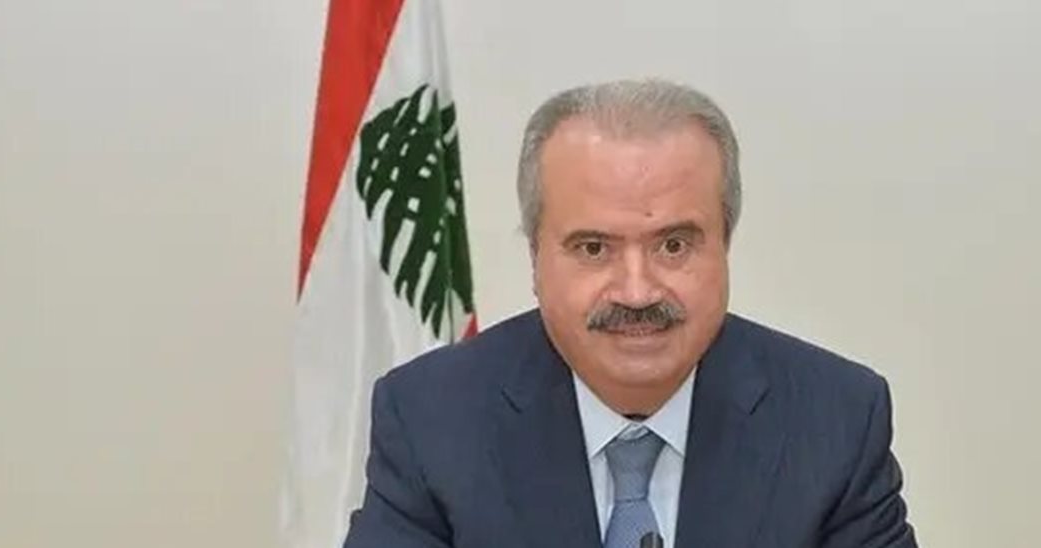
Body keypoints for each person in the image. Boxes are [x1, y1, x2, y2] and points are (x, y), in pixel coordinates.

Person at [343, 79, 918, 548]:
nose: (637, 292)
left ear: (725, 244)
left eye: (674, 245)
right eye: (594, 248)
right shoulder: (432, 421)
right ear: (535, 258)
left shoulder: (834, 421)